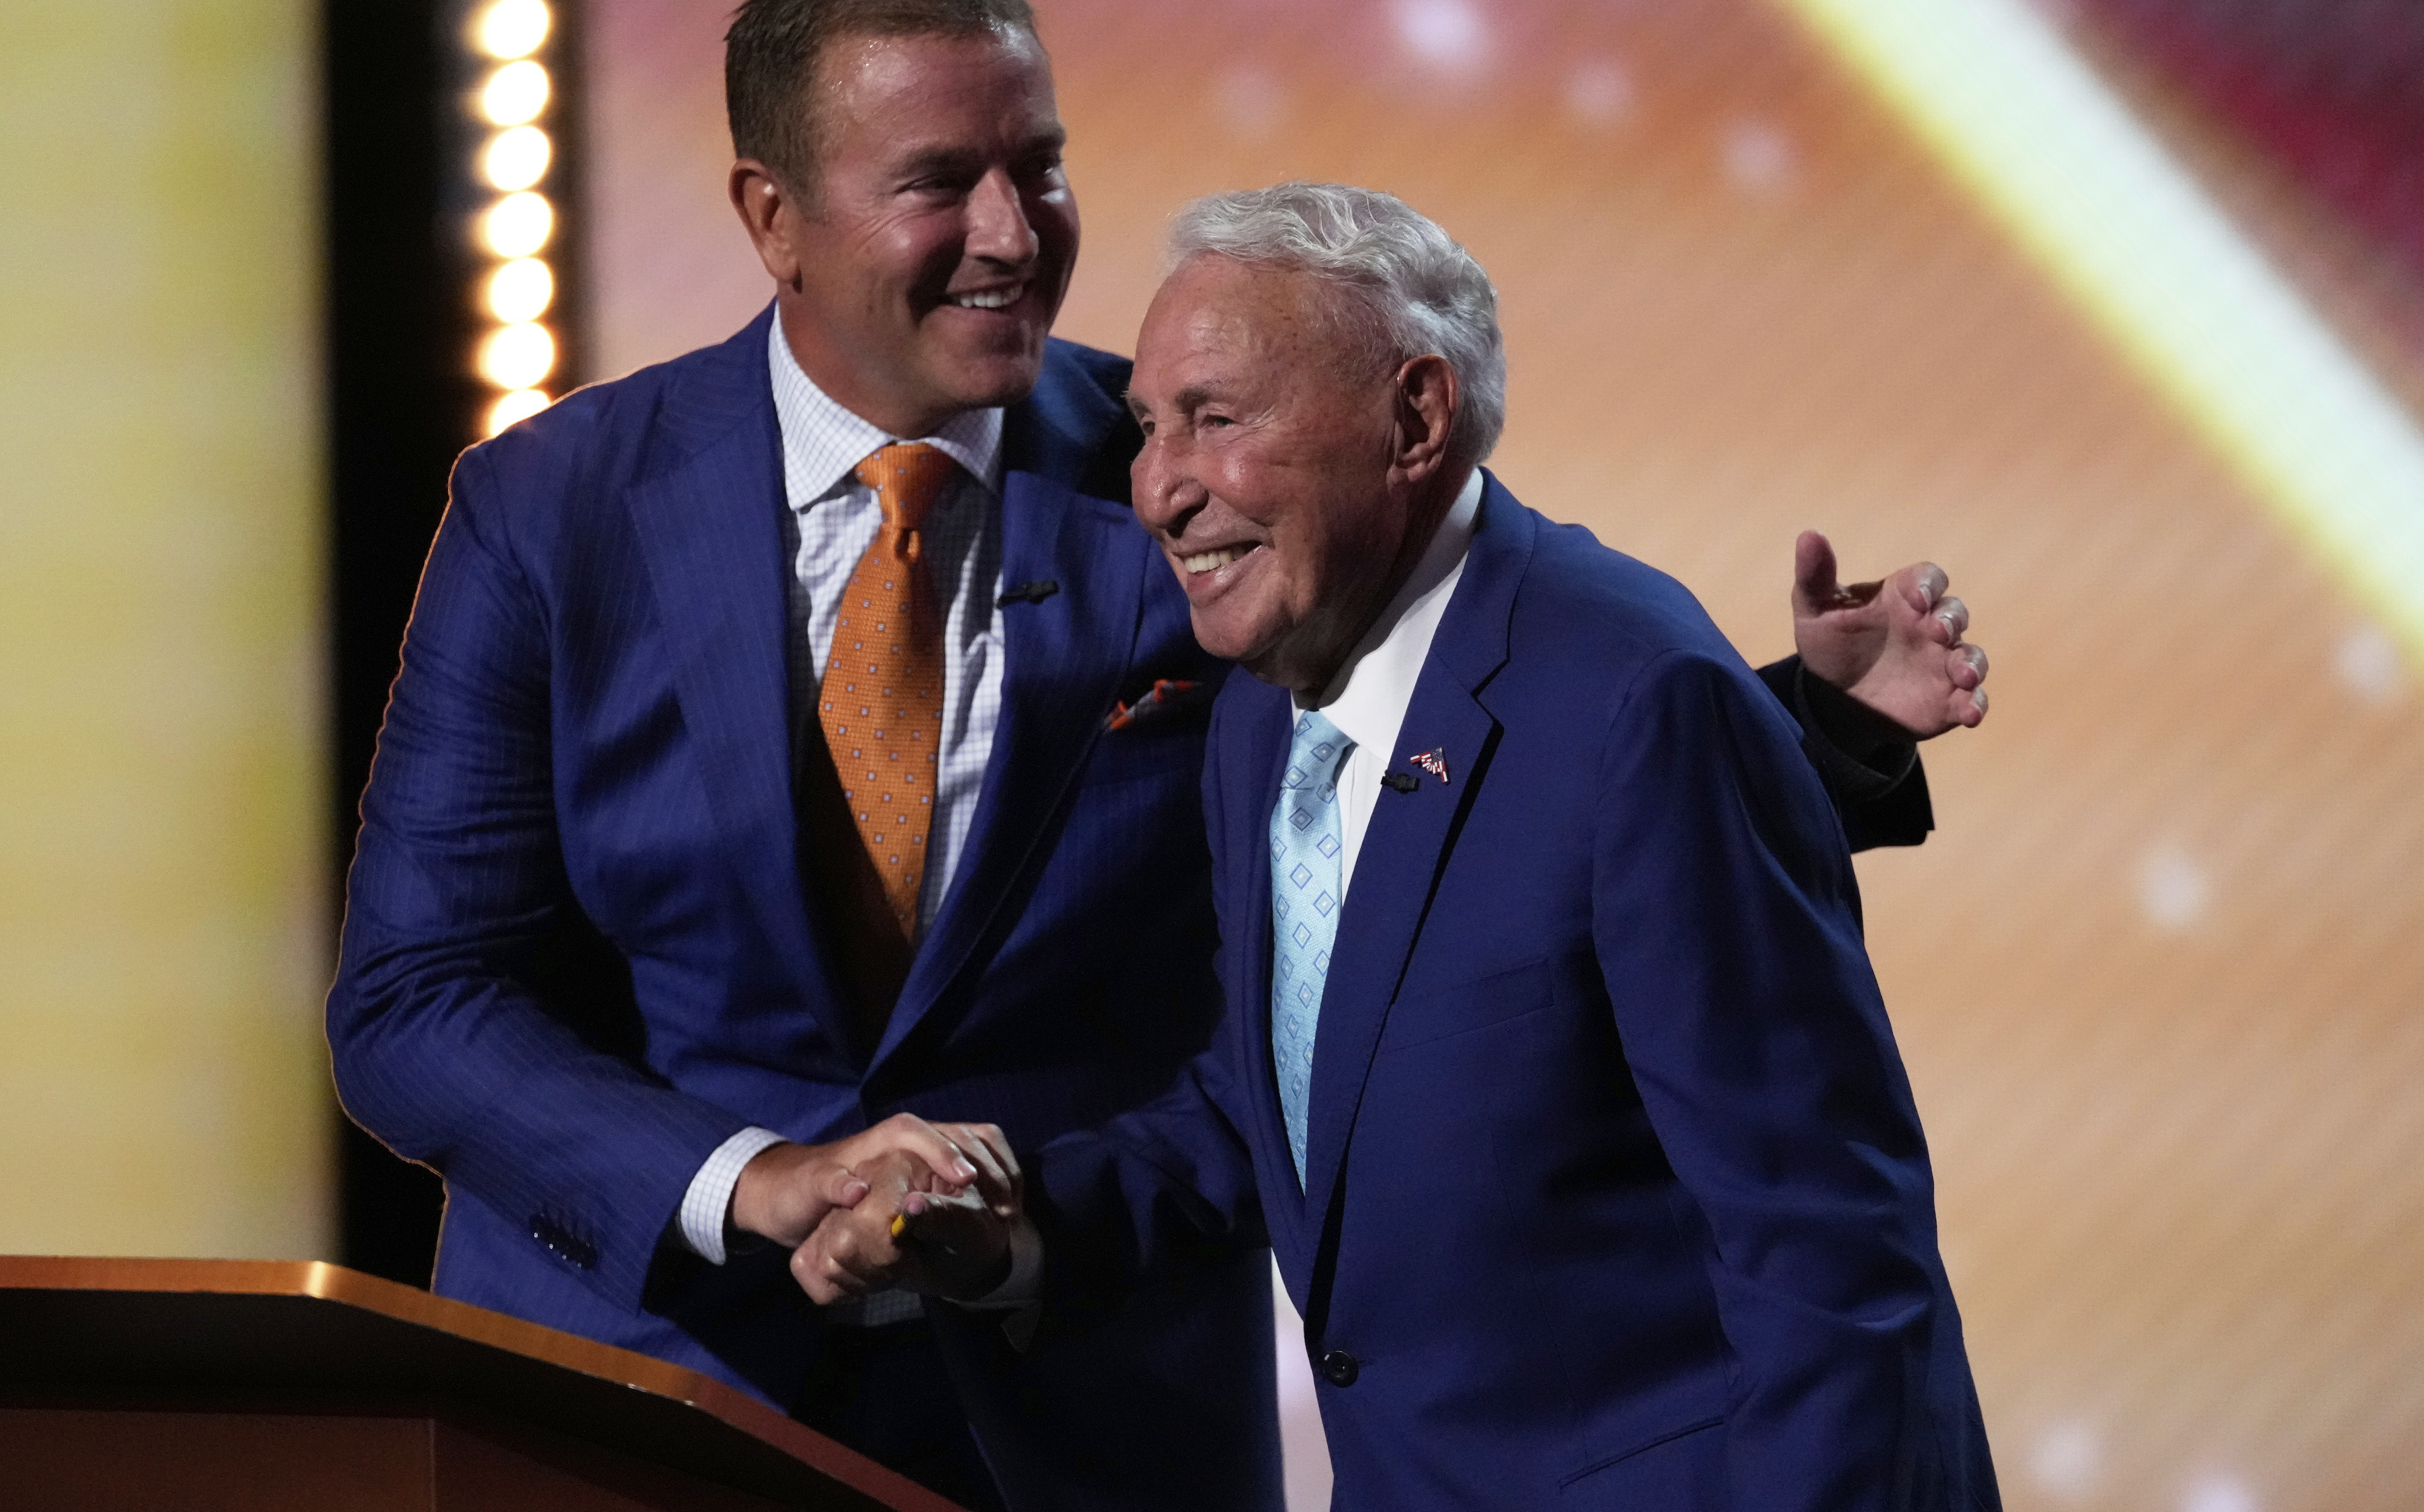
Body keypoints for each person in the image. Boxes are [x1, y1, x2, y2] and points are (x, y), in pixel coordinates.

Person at [328, 0, 1988, 1512]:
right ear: (774, 215)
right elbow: (412, 998)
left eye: (1036, 166)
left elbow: (1499, 702)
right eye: (937, 184)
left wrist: (1796, 734)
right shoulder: (552, 515)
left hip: (1086, 1418)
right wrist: (754, 1179)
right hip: (656, 1396)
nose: (1011, 230)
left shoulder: (1218, 474)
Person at [822, 181, 1999, 1509]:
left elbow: (1831, 1258)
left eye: (1216, 420)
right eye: (1149, 429)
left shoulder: (1636, 699)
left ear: (1415, 418)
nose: (1158, 489)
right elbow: (1285, 1093)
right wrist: (1017, 1221)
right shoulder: (1263, 712)